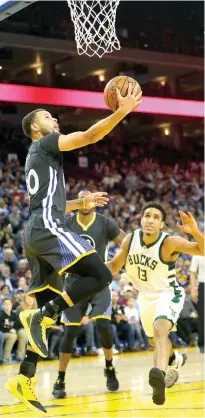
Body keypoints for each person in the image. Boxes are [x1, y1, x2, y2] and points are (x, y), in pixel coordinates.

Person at [5, 85, 142, 413]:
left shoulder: (33, 158)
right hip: (47, 229)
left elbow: (49, 201)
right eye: (49, 117)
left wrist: (80, 202)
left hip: (35, 233)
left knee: (41, 324)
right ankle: (44, 314)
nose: (56, 120)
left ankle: (24, 377)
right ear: (37, 128)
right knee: (100, 274)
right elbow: (89, 136)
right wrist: (121, 112)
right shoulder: (45, 143)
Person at [106, 202, 204, 405]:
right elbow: (114, 266)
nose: (150, 220)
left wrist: (194, 231)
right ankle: (173, 361)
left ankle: (158, 376)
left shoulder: (170, 242)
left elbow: (202, 250)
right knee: (154, 341)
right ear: (141, 219)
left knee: (160, 331)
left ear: (161, 224)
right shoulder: (129, 240)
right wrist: (87, 269)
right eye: (147, 215)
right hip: (145, 296)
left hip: (168, 294)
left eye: (156, 217)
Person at [52, 190, 125, 398]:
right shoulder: (66, 223)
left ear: (96, 203)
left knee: (103, 325)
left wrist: (117, 263)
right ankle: (60, 378)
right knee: (70, 333)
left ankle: (109, 367)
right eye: (82, 199)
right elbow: (51, 213)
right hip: (74, 282)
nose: (86, 203)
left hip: (100, 281)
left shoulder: (106, 223)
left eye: (91, 199)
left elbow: (126, 243)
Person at [189, 254, 204, 352]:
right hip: (203, 285)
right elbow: (192, 273)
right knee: (203, 316)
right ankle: (202, 343)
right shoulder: (197, 251)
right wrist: (193, 289)